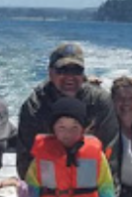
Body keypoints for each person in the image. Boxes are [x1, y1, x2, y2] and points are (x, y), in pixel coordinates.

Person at [17, 42, 118, 180]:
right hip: (49, 191)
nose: (70, 77)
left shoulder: (100, 102)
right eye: (62, 70)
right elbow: (26, 161)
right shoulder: (35, 106)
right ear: (50, 72)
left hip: (90, 189)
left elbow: (110, 157)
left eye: (76, 71)